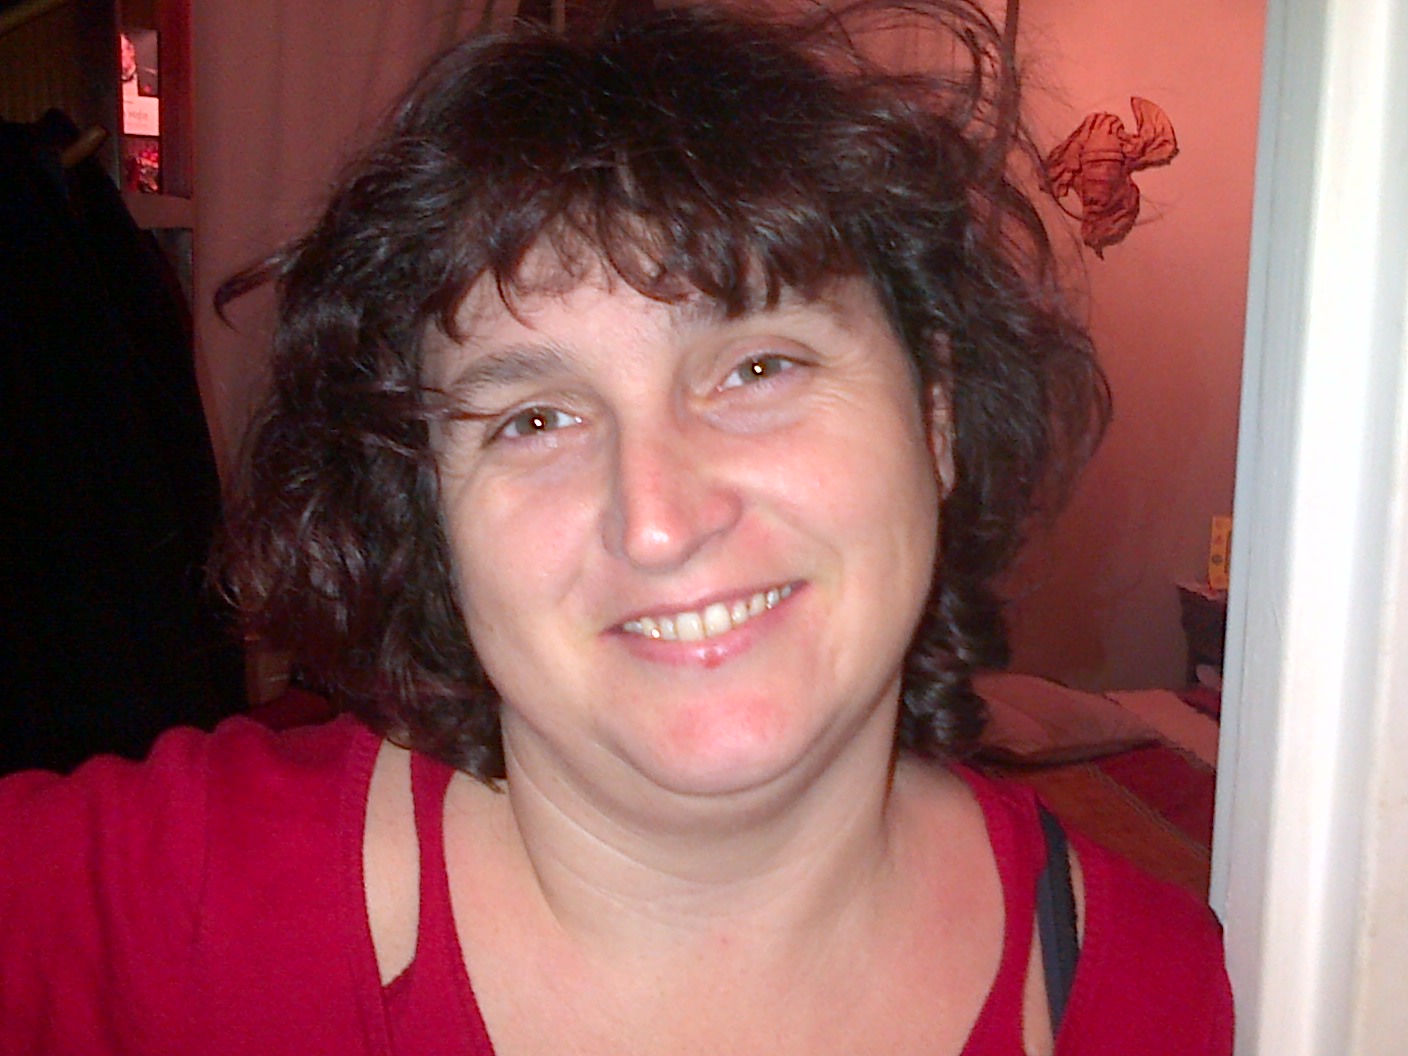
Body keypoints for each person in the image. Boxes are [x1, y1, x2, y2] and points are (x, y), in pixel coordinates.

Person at [0, 3, 1232, 1053]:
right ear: (428, 517)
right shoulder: (145, 907)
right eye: (532, 418)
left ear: (937, 423)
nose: (658, 521)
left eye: (757, 367)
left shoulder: (1162, 993)